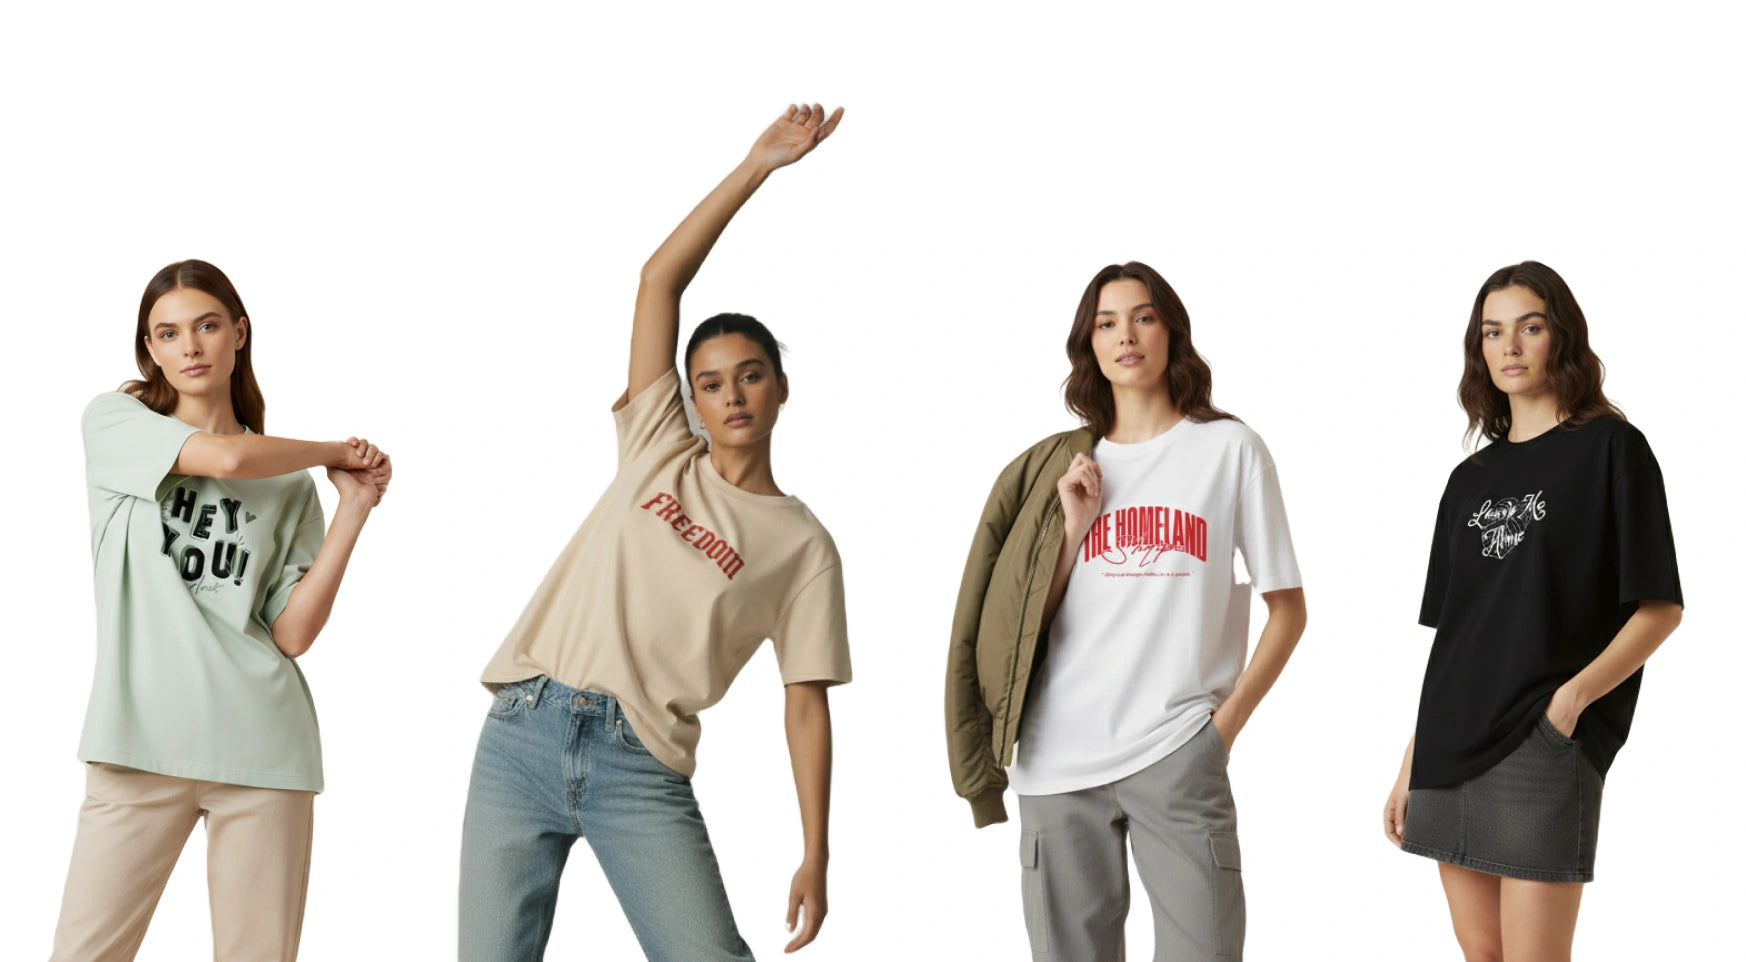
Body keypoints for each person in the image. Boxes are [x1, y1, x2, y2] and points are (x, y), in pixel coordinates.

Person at [460, 103, 851, 962]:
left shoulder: (804, 546)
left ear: (781, 389)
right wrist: (758, 166)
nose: (732, 395)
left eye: (751, 376)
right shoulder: (656, 446)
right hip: (523, 729)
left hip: (640, 760)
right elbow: (657, 282)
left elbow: (805, 702)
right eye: (710, 383)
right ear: (692, 401)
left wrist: (815, 852)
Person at [945, 261, 1308, 960]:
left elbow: (1288, 610)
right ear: (1089, 344)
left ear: (1170, 330)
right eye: (1106, 323)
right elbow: (1025, 630)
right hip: (1057, 760)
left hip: (1176, 750)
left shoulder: (1228, 449)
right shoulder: (1064, 467)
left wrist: (1219, 732)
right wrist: (1074, 528)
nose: (1126, 335)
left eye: (1142, 316)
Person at [52, 258, 391, 962]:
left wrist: (352, 506)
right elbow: (227, 462)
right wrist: (339, 449)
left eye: (207, 326)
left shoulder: (291, 484)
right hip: (137, 742)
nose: (190, 347)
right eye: (168, 334)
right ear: (150, 350)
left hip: (263, 744)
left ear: (239, 333)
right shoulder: (114, 423)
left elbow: (293, 634)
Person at [1383, 261, 1683, 962]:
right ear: (1478, 350)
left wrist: (1570, 704)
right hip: (1449, 744)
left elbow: (1660, 608)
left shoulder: (1613, 449)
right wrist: (1409, 762)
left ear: (1561, 338)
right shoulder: (1469, 481)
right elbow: (1456, 636)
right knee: (1482, 955)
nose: (1510, 346)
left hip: (1540, 742)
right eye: (1493, 332)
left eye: (1530, 327)